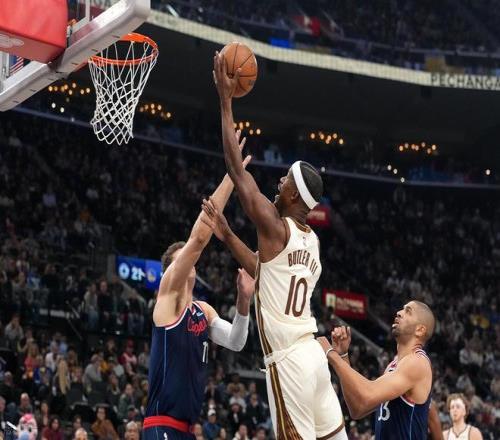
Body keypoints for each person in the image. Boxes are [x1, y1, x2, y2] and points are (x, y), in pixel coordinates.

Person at [209, 53, 346, 439]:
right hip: (314, 358)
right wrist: (228, 236)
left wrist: (225, 100)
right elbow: (266, 272)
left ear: (294, 196)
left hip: (289, 362)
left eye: (285, 180)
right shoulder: (312, 242)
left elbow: (237, 172)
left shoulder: (276, 226)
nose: (279, 182)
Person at [143, 138, 255, 440]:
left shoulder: (202, 311)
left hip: (187, 429)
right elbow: (199, 238)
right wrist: (232, 175)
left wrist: (243, 301)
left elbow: (236, 342)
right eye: (181, 260)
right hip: (161, 424)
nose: (189, 261)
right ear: (170, 271)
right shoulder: (168, 298)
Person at [318, 300, 435, 440]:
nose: (399, 312)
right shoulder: (393, 366)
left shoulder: (417, 362)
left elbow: (367, 393)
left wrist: (331, 354)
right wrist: (342, 356)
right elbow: (358, 408)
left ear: (420, 330)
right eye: (402, 309)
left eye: (408, 311)